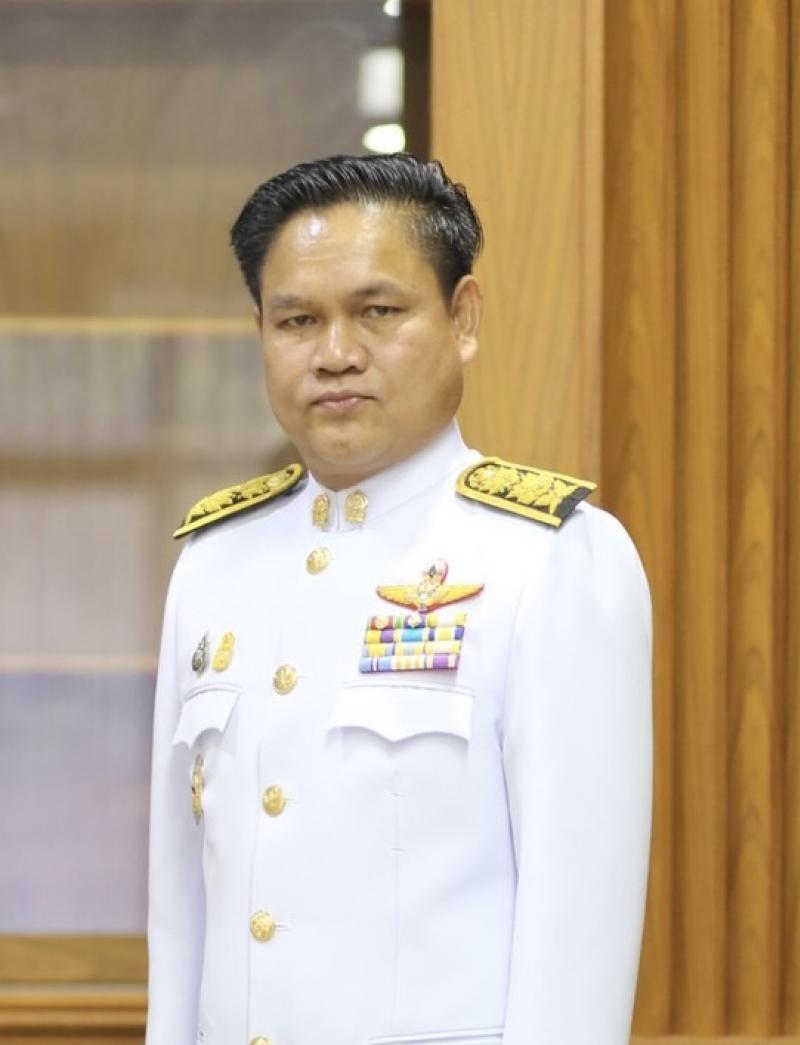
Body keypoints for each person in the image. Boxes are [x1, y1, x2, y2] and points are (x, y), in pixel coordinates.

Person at [146, 153, 652, 1045]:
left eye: (378, 311)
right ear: (260, 332)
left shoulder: (550, 559)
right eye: (298, 320)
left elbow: (577, 934)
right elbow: (181, 907)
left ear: (463, 318)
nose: (336, 354)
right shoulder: (214, 563)